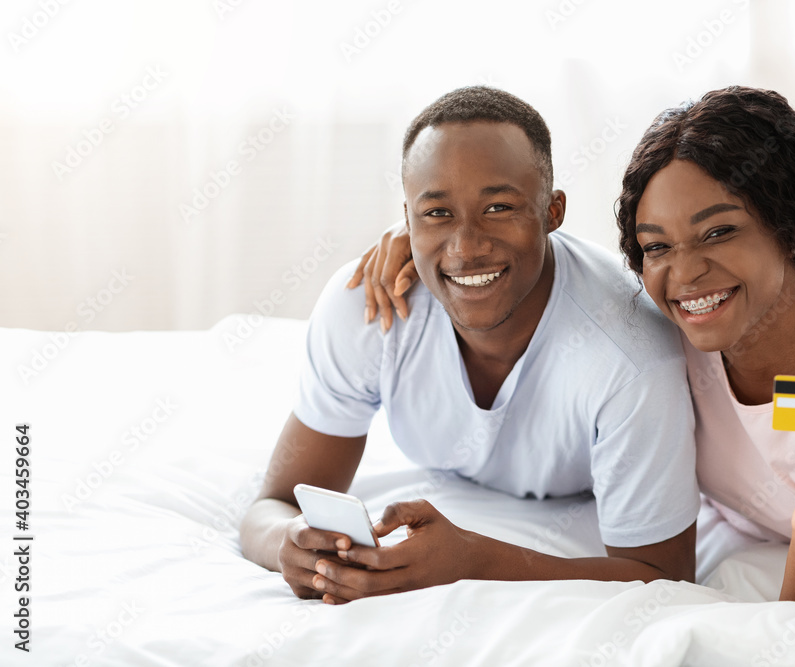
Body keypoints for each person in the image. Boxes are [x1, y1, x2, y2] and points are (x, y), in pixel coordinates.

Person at [357, 87, 795, 615]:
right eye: (657, 246)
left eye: (719, 231)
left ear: (791, 227)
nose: (684, 275)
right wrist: (424, 233)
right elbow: (536, 251)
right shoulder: (667, 324)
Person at [239, 86, 701, 605]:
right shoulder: (368, 308)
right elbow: (271, 505)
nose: (466, 247)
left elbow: (663, 573)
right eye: (437, 214)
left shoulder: (630, 356)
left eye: (499, 207)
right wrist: (289, 545)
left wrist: (472, 561)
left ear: (553, 211)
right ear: (407, 220)